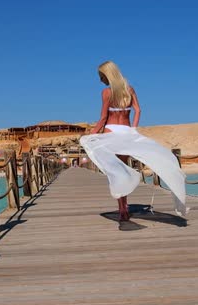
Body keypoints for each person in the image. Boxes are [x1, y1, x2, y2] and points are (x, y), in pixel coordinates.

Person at [79, 61, 188, 225]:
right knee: (122, 169)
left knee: (116, 172)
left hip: (110, 132)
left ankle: (122, 208)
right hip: (126, 132)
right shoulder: (129, 90)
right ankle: (125, 205)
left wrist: (90, 136)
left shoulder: (106, 93)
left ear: (107, 74)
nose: (100, 79)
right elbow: (138, 110)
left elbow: (102, 119)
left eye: (101, 76)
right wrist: (134, 129)